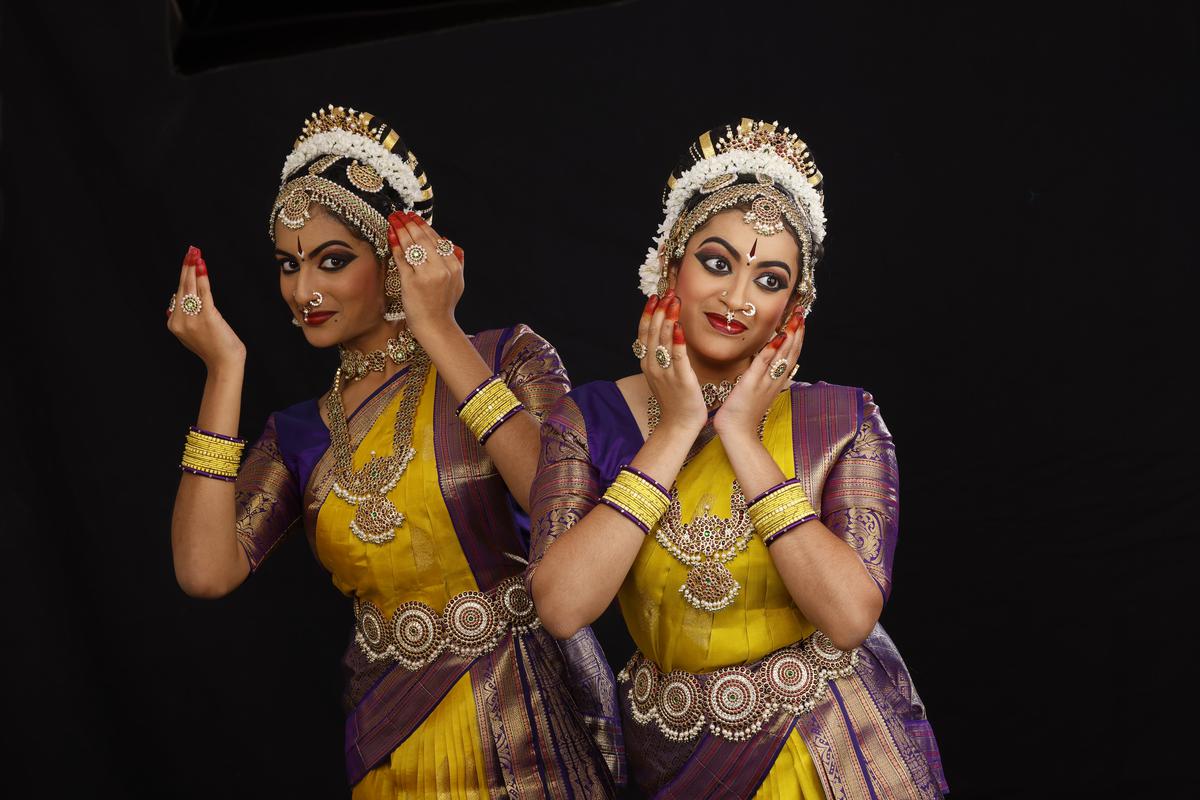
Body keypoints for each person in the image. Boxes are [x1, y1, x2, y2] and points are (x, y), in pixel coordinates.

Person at [167, 105, 620, 798]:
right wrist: (223, 370)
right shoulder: (301, 433)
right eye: (289, 266)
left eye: (333, 261)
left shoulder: (506, 356)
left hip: (527, 721)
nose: (304, 291)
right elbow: (206, 572)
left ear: (392, 262)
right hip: (392, 728)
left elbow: (557, 502)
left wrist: (439, 329)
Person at [528, 118, 948, 798]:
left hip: (827, 756)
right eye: (718, 262)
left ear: (794, 306)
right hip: (671, 760)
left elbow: (848, 617)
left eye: (770, 278)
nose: (737, 298)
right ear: (671, 260)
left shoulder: (843, 421)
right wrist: (676, 429)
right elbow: (563, 606)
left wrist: (744, 439)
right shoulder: (589, 419)